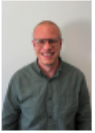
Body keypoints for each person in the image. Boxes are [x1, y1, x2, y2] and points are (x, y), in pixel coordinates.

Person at [2, 20, 91, 130]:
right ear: (34, 45)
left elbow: (85, 121)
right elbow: (8, 123)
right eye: (41, 41)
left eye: (52, 41)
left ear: (60, 44)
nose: (47, 47)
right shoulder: (19, 79)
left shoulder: (77, 78)